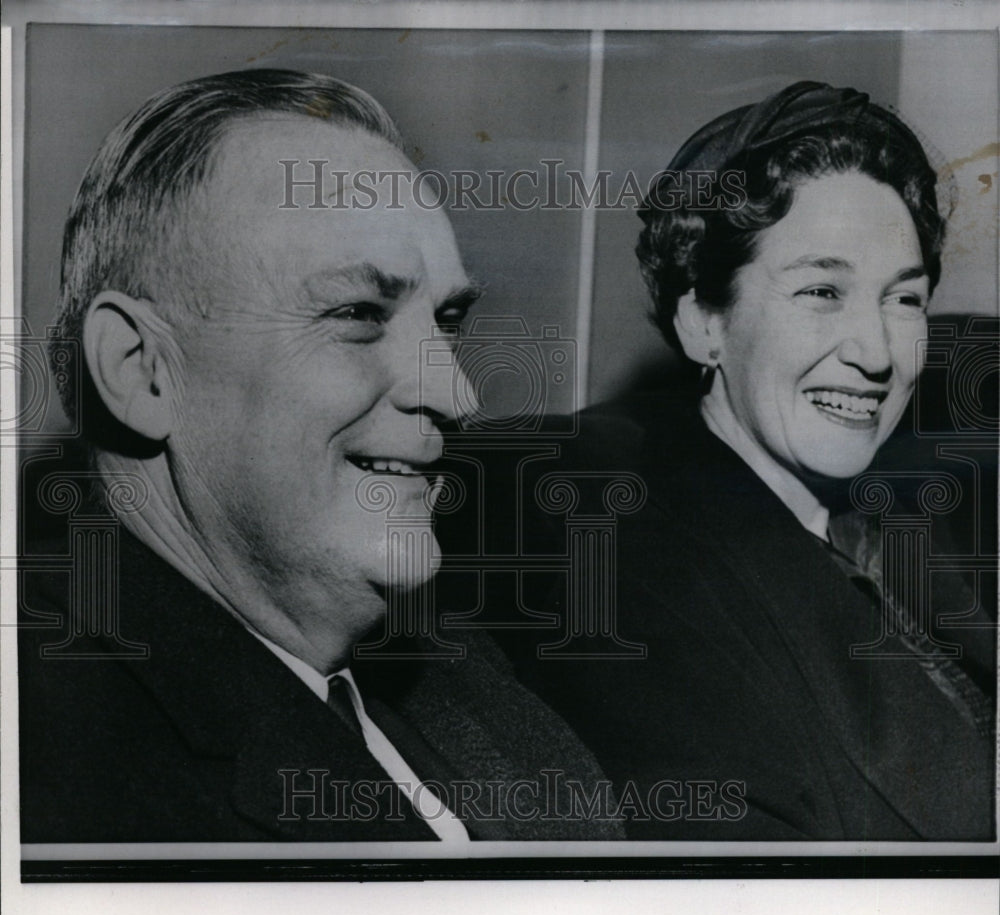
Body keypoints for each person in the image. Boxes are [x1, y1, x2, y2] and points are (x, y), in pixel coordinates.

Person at [17, 69, 621, 843]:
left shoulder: (465, 682)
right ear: (141, 369)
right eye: (358, 314)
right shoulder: (60, 779)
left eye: (447, 320)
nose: (459, 395)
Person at [497, 81, 996, 840]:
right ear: (704, 323)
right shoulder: (640, 595)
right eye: (823, 290)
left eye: (905, 300)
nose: (876, 353)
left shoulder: (898, 518)